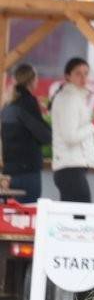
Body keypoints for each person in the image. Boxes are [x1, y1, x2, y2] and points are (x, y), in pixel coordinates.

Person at [50, 57, 94, 203]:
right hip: (70, 167)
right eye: (78, 73)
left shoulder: (74, 98)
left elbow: (77, 134)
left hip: (71, 166)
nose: (83, 78)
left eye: (86, 73)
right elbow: (70, 137)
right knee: (80, 213)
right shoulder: (69, 99)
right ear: (67, 76)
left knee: (75, 214)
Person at [1, 64, 52, 201]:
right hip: (27, 173)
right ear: (33, 80)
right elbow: (45, 136)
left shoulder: (7, 103)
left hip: (8, 172)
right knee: (27, 211)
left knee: (9, 212)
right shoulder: (27, 102)